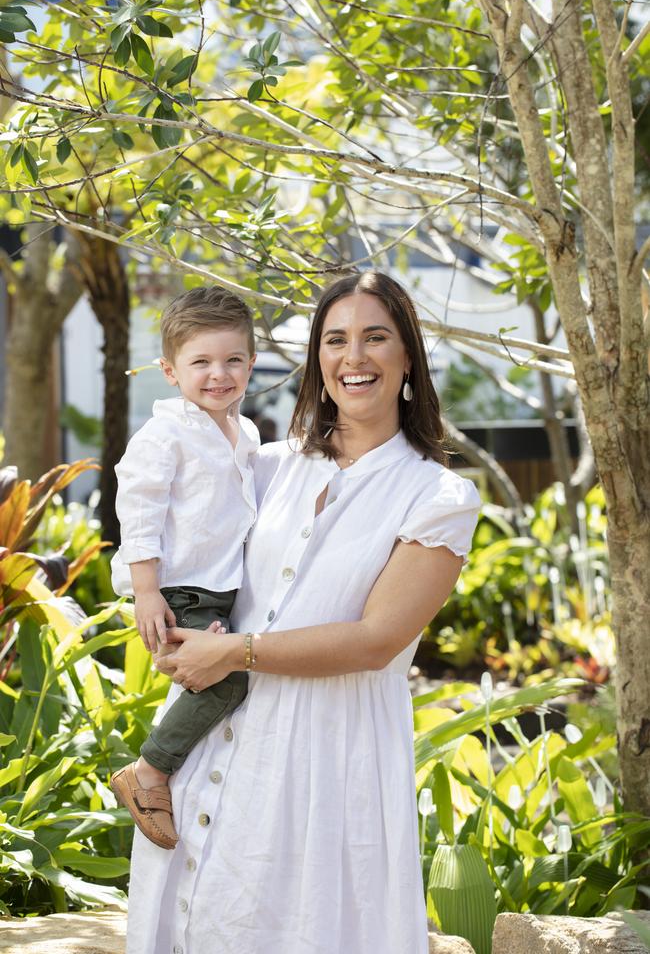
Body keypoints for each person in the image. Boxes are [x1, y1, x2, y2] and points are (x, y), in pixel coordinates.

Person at [125, 271, 481, 954]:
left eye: (376, 338)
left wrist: (233, 652)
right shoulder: (265, 464)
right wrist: (161, 617)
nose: (354, 357)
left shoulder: (437, 496)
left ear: (408, 357)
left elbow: (376, 640)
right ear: (317, 358)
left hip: (325, 769)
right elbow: (178, 541)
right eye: (335, 340)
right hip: (206, 754)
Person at [109, 287, 259, 850]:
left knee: (224, 680)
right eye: (201, 362)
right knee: (229, 680)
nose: (219, 374)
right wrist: (146, 592)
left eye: (233, 360)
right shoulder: (165, 434)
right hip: (181, 590)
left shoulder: (245, 433)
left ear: (249, 361)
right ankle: (149, 773)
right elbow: (139, 512)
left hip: (221, 588)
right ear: (171, 371)